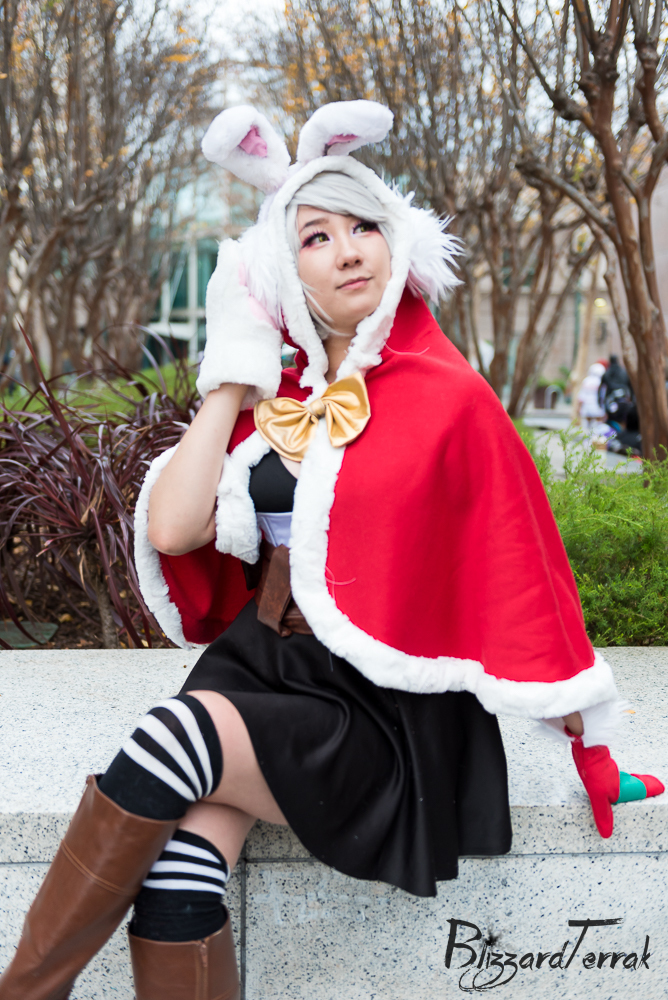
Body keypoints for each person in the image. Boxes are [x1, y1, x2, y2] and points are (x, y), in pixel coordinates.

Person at [1, 101, 664, 1000]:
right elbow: (174, 530)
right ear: (286, 270)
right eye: (316, 237)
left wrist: (586, 739)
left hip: (381, 707)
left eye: (364, 227)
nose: (349, 252)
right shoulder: (277, 398)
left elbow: (520, 566)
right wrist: (232, 376)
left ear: (397, 244)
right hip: (265, 671)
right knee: (178, 878)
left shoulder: (452, 397)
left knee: (172, 735)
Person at [577, 361, 606, 429]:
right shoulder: (601, 382)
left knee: (587, 425)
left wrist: (579, 407)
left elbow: (581, 396)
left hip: (587, 405)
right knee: (598, 425)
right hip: (598, 406)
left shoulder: (586, 380)